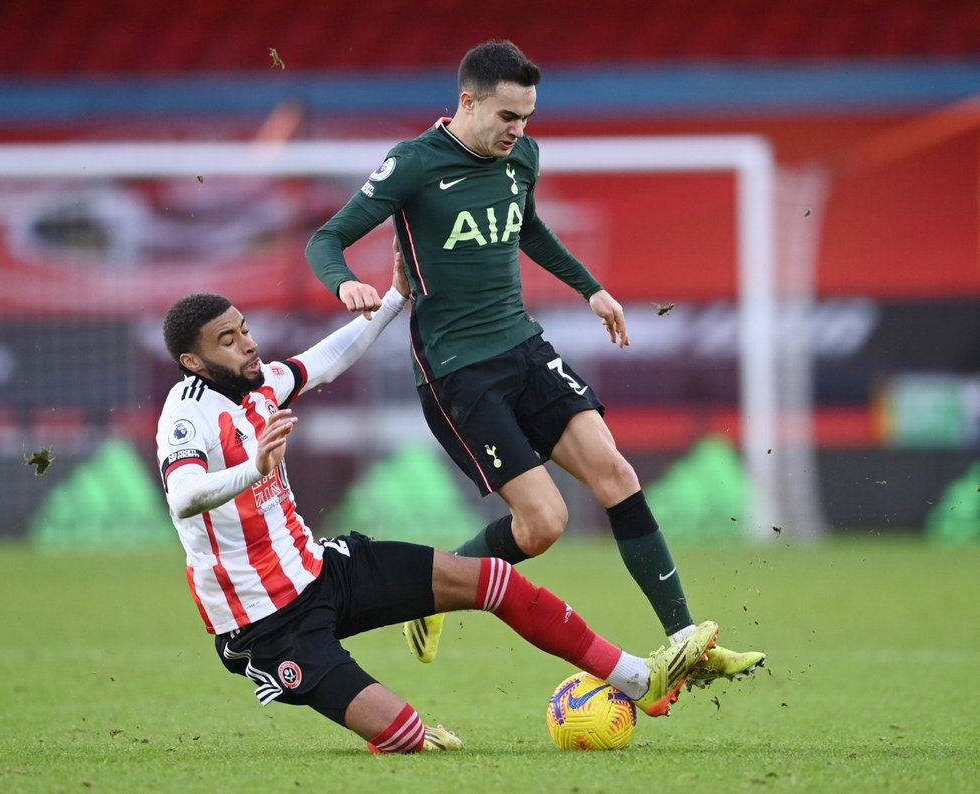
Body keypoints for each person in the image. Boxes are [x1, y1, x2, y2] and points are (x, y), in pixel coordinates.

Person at [304, 40, 764, 687]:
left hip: (524, 345)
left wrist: (590, 286)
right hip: (458, 372)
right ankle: (431, 592)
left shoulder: (522, 155)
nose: (519, 131)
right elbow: (326, 238)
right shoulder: (412, 164)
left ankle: (686, 640)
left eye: (527, 118)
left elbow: (528, 227)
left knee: (616, 472)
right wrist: (344, 283)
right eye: (508, 117)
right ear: (468, 102)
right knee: (545, 524)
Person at [155, 248, 719, 753]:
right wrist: (252, 471)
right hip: (265, 621)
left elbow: (326, 358)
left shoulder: (260, 384)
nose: (248, 343)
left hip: (321, 568)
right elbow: (182, 499)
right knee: (404, 735)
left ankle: (640, 681)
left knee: (494, 582)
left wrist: (398, 295)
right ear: (193, 362)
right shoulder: (186, 415)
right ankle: (385, 722)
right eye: (227, 341)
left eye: (244, 329)